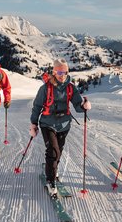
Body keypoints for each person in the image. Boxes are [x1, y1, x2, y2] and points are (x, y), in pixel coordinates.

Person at [30, 58, 91, 196]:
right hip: (47, 123)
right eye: (58, 71)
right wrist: (34, 124)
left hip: (64, 124)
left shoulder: (70, 88)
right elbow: (37, 107)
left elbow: (77, 105)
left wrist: (84, 106)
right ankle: (51, 180)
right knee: (53, 150)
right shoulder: (45, 88)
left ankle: (53, 169)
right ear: (54, 72)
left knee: (59, 150)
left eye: (64, 72)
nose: (61, 74)